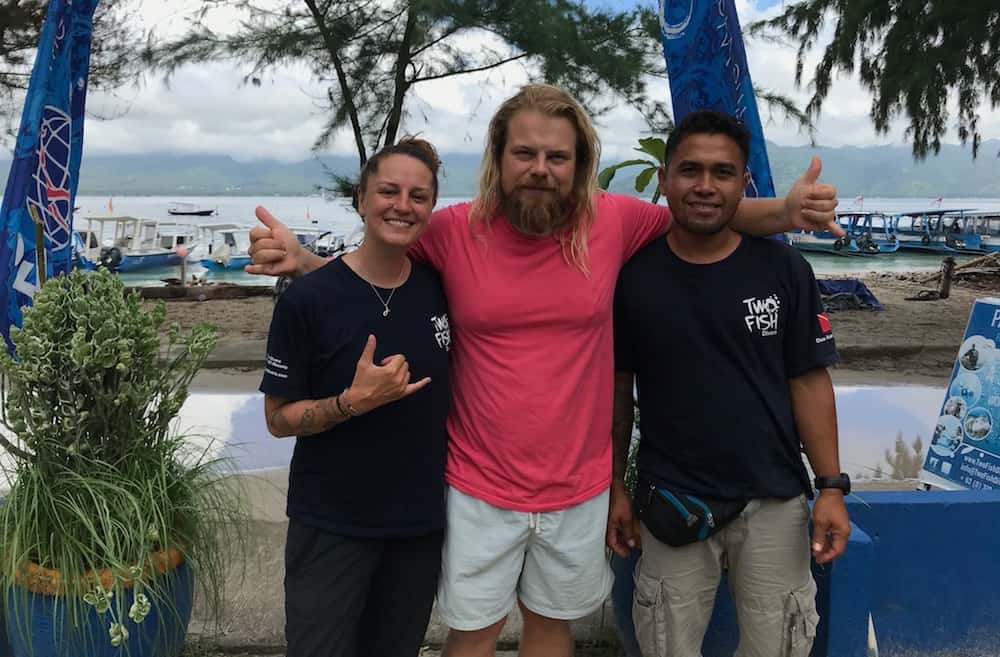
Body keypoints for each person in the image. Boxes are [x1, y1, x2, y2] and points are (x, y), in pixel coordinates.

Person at [247, 84, 841, 657]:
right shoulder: (456, 229)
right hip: (476, 483)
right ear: (499, 159)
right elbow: (376, 264)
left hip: (578, 488)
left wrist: (788, 211)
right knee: (473, 633)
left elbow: (705, 210)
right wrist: (305, 262)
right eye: (525, 153)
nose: (540, 168)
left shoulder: (614, 220)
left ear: (579, 163)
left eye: (558, 156)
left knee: (552, 629)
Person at [608, 110, 850, 657]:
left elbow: (809, 381)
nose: (704, 186)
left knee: (780, 647)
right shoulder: (633, 276)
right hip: (671, 502)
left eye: (722, 172)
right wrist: (613, 486)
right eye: (690, 170)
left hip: (775, 501)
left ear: (744, 184)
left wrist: (831, 486)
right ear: (665, 178)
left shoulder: (784, 270)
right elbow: (618, 391)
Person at [259, 138, 451, 657]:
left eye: (418, 196)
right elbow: (278, 418)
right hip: (332, 525)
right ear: (361, 199)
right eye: (388, 191)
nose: (402, 206)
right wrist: (353, 401)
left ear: (432, 208)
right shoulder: (307, 301)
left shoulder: (442, 288)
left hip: (420, 526)